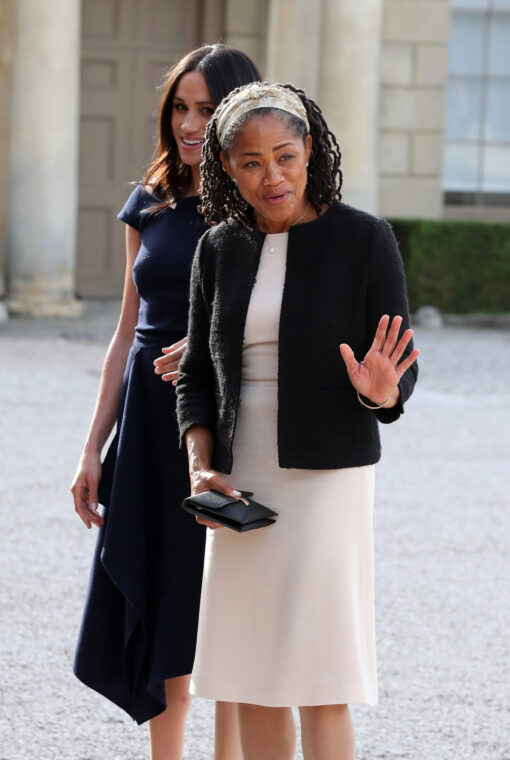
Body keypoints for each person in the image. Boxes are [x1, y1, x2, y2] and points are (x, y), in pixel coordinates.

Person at [176, 81, 419, 760]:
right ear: (228, 168)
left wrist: (379, 391)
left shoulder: (364, 240)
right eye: (251, 162)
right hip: (239, 483)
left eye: (285, 155)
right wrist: (202, 463)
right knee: (251, 676)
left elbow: (398, 374)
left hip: (327, 479)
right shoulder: (219, 248)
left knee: (319, 672)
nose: (272, 175)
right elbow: (195, 373)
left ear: (310, 149)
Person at [70, 45, 261, 760]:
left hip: (226, 430)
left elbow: (285, 320)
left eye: (206, 109)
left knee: (224, 621)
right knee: (161, 619)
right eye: (179, 107)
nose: (188, 123)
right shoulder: (147, 201)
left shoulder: (259, 204)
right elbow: (124, 338)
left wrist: (212, 348)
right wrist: (93, 448)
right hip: (148, 440)